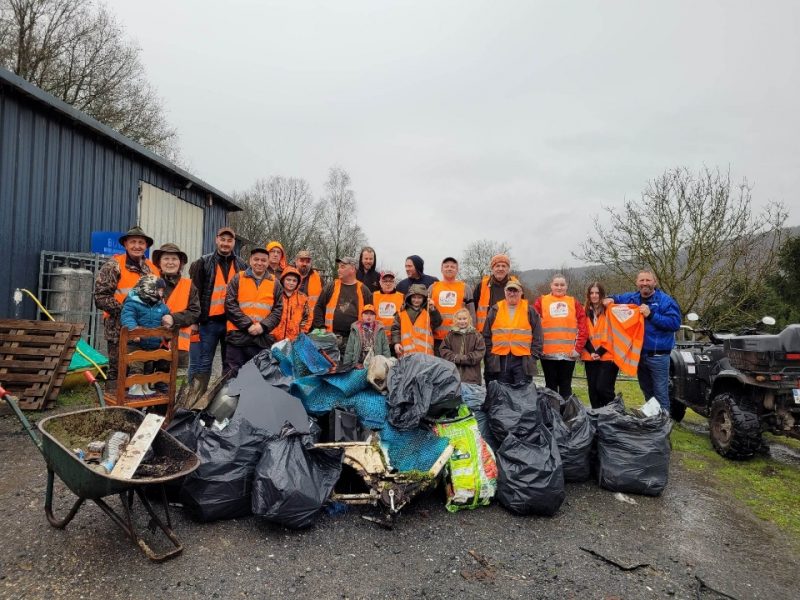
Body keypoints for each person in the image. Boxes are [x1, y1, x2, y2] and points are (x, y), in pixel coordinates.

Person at [94, 226, 157, 393]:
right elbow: (100, 298)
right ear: (125, 244)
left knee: (142, 370)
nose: (137, 246)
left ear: (146, 246)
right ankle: (114, 410)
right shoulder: (114, 266)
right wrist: (129, 313)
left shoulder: (151, 269)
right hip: (118, 328)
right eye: (133, 242)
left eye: (141, 242)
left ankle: (136, 410)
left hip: (144, 329)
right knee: (118, 370)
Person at [609, 270, 681, 411]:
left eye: (648, 280)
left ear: (655, 282)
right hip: (639, 356)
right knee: (648, 394)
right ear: (637, 282)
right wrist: (609, 299)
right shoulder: (632, 298)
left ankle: (663, 429)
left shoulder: (666, 301)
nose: (645, 283)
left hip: (659, 356)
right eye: (642, 280)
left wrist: (651, 315)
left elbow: (674, 324)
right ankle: (652, 426)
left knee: (661, 395)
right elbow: (615, 298)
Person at [189, 227, 247, 389]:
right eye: (223, 240)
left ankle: (222, 400)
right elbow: (194, 293)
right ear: (216, 240)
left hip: (232, 323)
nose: (225, 244)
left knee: (229, 363)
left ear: (234, 243)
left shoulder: (242, 265)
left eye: (229, 241)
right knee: (204, 361)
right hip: (209, 322)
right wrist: (195, 321)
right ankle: (197, 398)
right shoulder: (203, 262)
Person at [224, 246, 284, 376]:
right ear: (250, 261)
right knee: (232, 376)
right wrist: (247, 325)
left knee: (259, 378)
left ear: (268, 263)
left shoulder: (275, 283)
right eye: (256, 259)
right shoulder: (237, 278)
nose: (259, 263)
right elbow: (230, 304)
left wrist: (262, 326)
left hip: (262, 339)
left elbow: (278, 310)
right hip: (237, 337)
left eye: (263, 260)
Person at [152, 243, 200, 389]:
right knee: (141, 387)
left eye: (174, 259)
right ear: (159, 262)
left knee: (167, 389)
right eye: (166, 258)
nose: (170, 262)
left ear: (181, 264)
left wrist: (174, 318)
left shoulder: (189, 285)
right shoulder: (149, 282)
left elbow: (195, 312)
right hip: (149, 344)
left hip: (175, 346)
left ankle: (163, 412)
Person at [534, 274, 588, 399]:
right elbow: (533, 324)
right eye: (556, 285)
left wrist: (578, 349)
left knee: (565, 387)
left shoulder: (573, 302)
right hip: (547, 354)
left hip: (569, 354)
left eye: (562, 285)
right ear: (551, 286)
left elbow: (583, 327)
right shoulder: (541, 301)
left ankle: (565, 416)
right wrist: (537, 348)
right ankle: (551, 415)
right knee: (550, 388)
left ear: (566, 286)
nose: (559, 287)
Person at [483, 280, 543, 387]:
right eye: (509, 290)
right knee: (502, 394)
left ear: (521, 292)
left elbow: (538, 336)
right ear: (505, 292)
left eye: (515, 290)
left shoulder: (530, 311)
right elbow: (486, 335)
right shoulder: (495, 309)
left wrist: (533, 356)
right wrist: (490, 354)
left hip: (523, 360)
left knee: (523, 394)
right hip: (500, 359)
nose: (512, 293)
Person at [120, 275, 170, 397]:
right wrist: (133, 330)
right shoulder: (132, 302)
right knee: (137, 366)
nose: (162, 293)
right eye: (160, 289)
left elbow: (168, 315)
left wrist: (169, 321)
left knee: (148, 367)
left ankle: (146, 386)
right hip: (136, 344)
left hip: (153, 344)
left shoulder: (160, 305)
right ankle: (135, 387)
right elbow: (127, 317)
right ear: (149, 288)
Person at [313, 256, 373, 354]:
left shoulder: (364, 290)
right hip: (330, 338)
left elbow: (371, 316)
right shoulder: (331, 286)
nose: (338, 269)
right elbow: (319, 307)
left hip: (354, 339)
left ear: (353, 269)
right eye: (339, 266)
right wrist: (320, 328)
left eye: (342, 266)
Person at [580, 282, 619, 409]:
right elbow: (582, 333)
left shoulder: (610, 310)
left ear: (602, 294)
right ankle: (597, 418)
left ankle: (612, 415)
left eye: (597, 293)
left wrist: (599, 352)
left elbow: (614, 333)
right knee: (593, 392)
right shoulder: (584, 311)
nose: (594, 295)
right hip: (590, 355)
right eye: (592, 293)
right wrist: (592, 352)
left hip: (607, 355)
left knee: (603, 389)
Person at [429, 257, 476, 355]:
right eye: (446, 266)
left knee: (456, 368)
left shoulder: (465, 288)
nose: (449, 268)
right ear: (441, 269)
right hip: (437, 338)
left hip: (458, 337)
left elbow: (471, 313)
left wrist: (472, 335)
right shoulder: (433, 288)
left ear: (457, 270)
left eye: (452, 267)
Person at [473, 254, 524, 333]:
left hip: (509, 333)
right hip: (485, 334)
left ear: (508, 269)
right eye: (497, 266)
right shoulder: (482, 286)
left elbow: (523, 310)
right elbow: (472, 310)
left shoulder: (517, 286)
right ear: (492, 268)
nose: (500, 268)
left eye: (504, 266)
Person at [391, 284, 442, 356]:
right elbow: (395, 329)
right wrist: (396, 343)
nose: (416, 300)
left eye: (419, 298)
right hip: (406, 354)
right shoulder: (401, 312)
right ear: (409, 298)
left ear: (424, 299)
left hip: (425, 355)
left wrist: (433, 309)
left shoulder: (429, 311)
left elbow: (437, 322)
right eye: (414, 297)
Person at [440, 308, 485, 385]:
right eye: (459, 319)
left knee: (470, 397)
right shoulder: (450, 335)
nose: (462, 321)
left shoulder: (476, 335)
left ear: (469, 319)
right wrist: (456, 358)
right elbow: (443, 350)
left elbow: (480, 352)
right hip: (453, 376)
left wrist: (465, 359)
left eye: (464, 319)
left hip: (472, 378)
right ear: (455, 320)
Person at [342, 304, 391, 370]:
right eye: (366, 313)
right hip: (358, 364)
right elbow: (349, 349)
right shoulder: (355, 329)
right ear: (362, 315)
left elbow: (385, 348)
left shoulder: (380, 329)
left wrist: (387, 365)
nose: (369, 316)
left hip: (376, 365)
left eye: (371, 314)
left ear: (375, 316)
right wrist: (346, 366)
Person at [272, 266, 310, 342]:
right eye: (288, 280)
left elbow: (307, 317)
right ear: (283, 280)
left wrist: (302, 332)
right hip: (274, 338)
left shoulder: (303, 298)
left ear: (298, 283)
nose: (291, 283)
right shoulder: (275, 295)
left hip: (294, 339)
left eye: (294, 280)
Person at [372, 271, 404, 356]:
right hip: (378, 339)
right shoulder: (373, 296)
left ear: (394, 283)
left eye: (391, 281)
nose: (388, 283)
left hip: (396, 340)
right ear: (380, 283)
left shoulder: (401, 297)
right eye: (385, 281)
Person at [294, 249, 324, 314]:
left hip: (311, 319)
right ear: (296, 261)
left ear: (311, 263)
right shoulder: (287, 276)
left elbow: (324, 301)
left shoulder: (319, 279)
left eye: (308, 261)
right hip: (291, 318)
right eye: (302, 261)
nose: (305, 264)